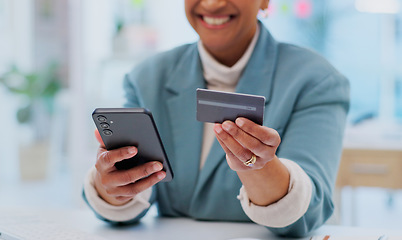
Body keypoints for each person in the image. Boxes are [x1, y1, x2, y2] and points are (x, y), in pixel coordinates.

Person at [82, 0, 350, 237]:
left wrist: (260, 168)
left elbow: (312, 207)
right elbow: (134, 194)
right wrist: (113, 186)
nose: (211, 3)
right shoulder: (148, 77)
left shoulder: (316, 80)